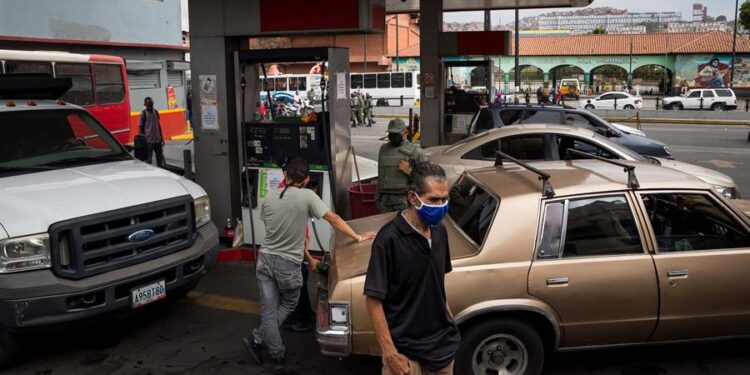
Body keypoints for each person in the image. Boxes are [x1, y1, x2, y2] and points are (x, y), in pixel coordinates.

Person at [243, 158, 376, 370]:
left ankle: (261, 342)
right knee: (288, 304)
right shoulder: (307, 196)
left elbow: (277, 230)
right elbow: (333, 219)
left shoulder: (268, 197)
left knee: (269, 312)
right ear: (306, 179)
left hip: (265, 260)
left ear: (285, 176)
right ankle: (273, 352)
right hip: (287, 264)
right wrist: (357, 237)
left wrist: (307, 255)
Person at [365, 161, 460, 375]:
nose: (441, 206)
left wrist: (450, 324)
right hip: (404, 356)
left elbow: (437, 286)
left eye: (444, 199)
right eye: (434, 200)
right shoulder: (388, 239)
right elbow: (373, 300)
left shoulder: (440, 232)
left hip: (441, 352)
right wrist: (390, 353)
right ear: (412, 198)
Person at [377, 119, 426, 213]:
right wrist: (377, 198)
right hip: (385, 201)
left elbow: (425, 179)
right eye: (391, 133)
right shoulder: (383, 150)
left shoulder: (416, 152)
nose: (393, 136)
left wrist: (409, 171)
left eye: (396, 133)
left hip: (404, 200)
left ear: (405, 133)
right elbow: (381, 174)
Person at [138, 97, 165, 166]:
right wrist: (142, 140)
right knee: (148, 160)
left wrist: (162, 137)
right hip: (148, 141)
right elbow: (140, 127)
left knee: (160, 160)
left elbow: (158, 125)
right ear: (145, 104)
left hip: (157, 140)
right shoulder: (143, 113)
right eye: (148, 104)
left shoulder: (156, 112)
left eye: (151, 104)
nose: (150, 105)